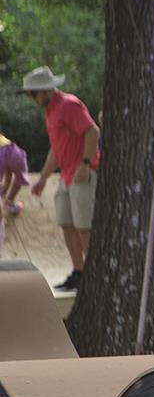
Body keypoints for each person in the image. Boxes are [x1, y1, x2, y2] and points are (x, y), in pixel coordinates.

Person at [24, 66, 101, 293]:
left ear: (46, 90)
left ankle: (95, 276)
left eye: (33, 93)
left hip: (83, 173)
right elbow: (55, 150)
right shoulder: (50, 112)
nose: (32, 98)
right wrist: (43, 179)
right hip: (66, 176)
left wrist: (86, 164)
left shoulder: (69, 105)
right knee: (66, 223)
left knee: (84, 226)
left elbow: (92, 132)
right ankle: (79, 273)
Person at [0, 131, 30, 216]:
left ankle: (4, 202)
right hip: (14, 151)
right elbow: (8, 174)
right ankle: (9, 201)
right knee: (19, 177)